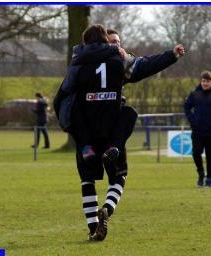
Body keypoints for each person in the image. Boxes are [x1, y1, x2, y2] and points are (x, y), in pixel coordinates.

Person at [55, 24, 185, 241]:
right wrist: (171, 55)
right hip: (110, 131)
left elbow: (63, 94)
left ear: (85, 42)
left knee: (87, 181)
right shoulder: (119, 59)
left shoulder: (77, 63)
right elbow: (145, 66)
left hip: (86, 131)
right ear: (106, 41)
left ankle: (92, 229)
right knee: (119, 175)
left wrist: (68, 122)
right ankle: (107, 207)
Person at [184, 71, 211, 188]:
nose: (205, 83)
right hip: (197, 130)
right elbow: (187, 107)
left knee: (210, 156)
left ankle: (209, 178)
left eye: (207, 81)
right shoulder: (195, 93)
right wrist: (192, 120)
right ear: (201, 81)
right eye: (203, 81)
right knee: (196, 153)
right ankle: (200, 174)